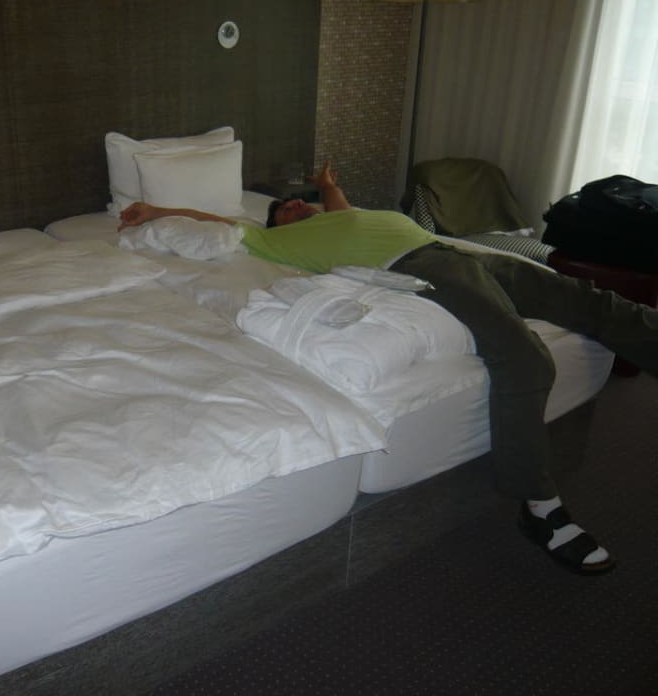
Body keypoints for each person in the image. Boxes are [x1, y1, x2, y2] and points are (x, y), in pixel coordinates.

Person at [118, 162, 658, 575]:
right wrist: (157, 210)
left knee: (594, 303)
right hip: (422, 267)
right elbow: (222, 223)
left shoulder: (342, 215)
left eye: (300, 202)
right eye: (283, 209)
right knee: (521, 353)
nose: (294, 206)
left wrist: (326, 184)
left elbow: (335, 201)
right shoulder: (273, 241)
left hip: (463, 254)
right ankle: (540, 505)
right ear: (274, 224)